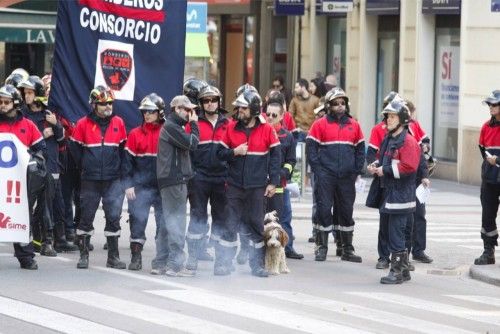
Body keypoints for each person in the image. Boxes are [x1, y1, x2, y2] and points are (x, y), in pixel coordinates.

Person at [217, 90, 281, 277]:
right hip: (234, 186)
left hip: (257, 187)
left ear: (253, 109)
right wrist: (234, 152)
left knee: (255, 225)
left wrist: (273, 183)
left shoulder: (267, 129)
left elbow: (276, 159)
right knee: (229, 224)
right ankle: (223, 263)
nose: (239, 111)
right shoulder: (231, 127)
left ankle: (257, 266)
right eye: (238, 108)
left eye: (243, 108)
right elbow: (219, 154)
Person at [70, 85, 127, 269]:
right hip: (90, 180)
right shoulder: (82, 124)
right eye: (103, 104)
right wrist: (86, 166)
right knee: (86, 217)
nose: (107, 106)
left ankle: (113, 257)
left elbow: (123, 151)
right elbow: (75, 151)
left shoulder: (119, 122)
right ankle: (84, 256)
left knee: (113, 218)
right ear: (93, 105)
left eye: (110, 103)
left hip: (113, 180)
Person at [306, 87, 364, 263]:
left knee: (345, 211)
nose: (340, 106)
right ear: (329, 106)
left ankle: (346, 248)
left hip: (346, 177)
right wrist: (318, 170)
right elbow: (311, 148)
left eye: (343, 103)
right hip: (326, 176)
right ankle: (321, 247)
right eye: (336, 103)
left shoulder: (354, 125)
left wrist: (356, 170)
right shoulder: (320, 124)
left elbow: (360, 149)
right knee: (323, 210)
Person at [367, 99, 421, 284]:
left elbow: (409, 167)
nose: (388, 120)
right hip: (390, 193)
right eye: (387, 116)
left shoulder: (408, 141)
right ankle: (403, 271)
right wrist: (377, 165)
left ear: (402, 119)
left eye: (392, 116)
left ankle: (397, 271)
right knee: (391, 232)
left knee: (396, 234)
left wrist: (385, 170)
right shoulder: (389, 139)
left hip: (401, 196)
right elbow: (384, 159)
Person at [184, 85, 231, 275]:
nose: (210, 103)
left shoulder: (229, 124)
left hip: (222, 178)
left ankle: (220, 261)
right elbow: (185, 150)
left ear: (219, 101)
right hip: (199, 178)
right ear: (201, 103)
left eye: (213, 100)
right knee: (197, 218)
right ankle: (193, 257)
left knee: (221, 219)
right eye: (205, 100)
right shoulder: (193, 124)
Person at [0, 84, 44, 270]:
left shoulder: (28, 125)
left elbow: (40, 151)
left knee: (21, 218)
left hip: (19, 183)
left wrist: (36, 163)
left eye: (6, 102)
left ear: (15, 103)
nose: (2, 105)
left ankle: (26, 256)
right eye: (0, 102)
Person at [156, 95, 199, 277]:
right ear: (177, 109)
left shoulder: (173, 127)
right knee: (176, 224)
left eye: (191, 111)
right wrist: (195, 125)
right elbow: (193, 143)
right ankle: (175, 265)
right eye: (187, 110)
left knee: (168, 222)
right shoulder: (172, 127)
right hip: (174, 181)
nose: (190, 114)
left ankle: (161, 262)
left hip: (172, 181)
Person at [123, 93, 166, 271]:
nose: (146, 115)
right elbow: (127, 163)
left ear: (160, 113)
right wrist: (128, 184)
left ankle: (161, 259)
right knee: (137, 223)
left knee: (163, 224)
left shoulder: (167, 132)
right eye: (144, 111)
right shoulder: (134, 134)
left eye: (151, 111)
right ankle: (136, 258)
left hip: (163, 187)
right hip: (140, 187)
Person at [264, 99, 302, 259]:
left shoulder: (287, 137)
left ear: (282, 117)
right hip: (260, 185)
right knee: (258, 219)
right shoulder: (260, 131)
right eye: (268, 114)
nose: (270, 117)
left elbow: (291, 161)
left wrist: (280, 176)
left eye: (274, 115)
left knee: (279, 220)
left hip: (279, 186)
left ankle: (283, 251)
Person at [474, 90, 500, 265]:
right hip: (490, 179)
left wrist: (497, 159)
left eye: (494, 104)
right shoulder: (485, 127)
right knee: (488, 215)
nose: (491, 107)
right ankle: (488, 252)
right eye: (490, 104)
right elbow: (482, 149)